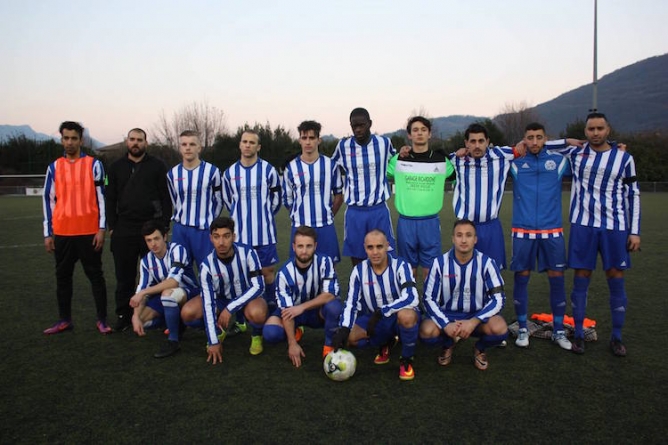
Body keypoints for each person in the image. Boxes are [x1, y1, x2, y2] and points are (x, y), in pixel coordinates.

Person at [552, 112, 640, 356]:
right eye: (591, 129)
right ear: (585, 131)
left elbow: (634, 194)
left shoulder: (624, 158)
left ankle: (617, 337)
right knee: (581, 276)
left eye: (600, 128)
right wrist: (568, 141)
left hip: (615, 227)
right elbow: (540, 144)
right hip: (583, 226)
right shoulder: (576, 154)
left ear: (608, 130)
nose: (595, 133)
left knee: (615, 277)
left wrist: (635, 232)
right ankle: (578, 333)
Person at [509, 122, 573, 350]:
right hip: (522, 231)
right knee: (521, 277)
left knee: (557, 278)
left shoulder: (559, 162)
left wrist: (565, 142)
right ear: (523, 139)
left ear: (545, 138)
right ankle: (523, 328)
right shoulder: (515, 164)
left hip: (552, 231)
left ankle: (558, 330)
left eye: (538, 137)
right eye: (530, 137)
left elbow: (588, 153)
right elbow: (494, 154)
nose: (534, 142)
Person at [42, 121, 110, 334]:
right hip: (63, 232)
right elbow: (48, 200)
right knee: (62, 278)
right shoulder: (54, 167)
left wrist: (101, 229)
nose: (69, 142)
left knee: (96, 277)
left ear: (81, 140)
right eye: (66, 138)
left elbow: (102, 199)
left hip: (88, 232)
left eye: (74, 138)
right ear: (61, 139)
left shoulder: (94, 165)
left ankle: (102, 320)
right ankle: (64, 320)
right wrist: (48, 232)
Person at [106, 128, 172, 332]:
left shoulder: (157, 165)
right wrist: (112, 226)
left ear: (146, 142)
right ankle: (123, 315)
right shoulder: (115, 167)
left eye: (139, 140)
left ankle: (158, 312)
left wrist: (163, 226)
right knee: (124, 276)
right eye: (132, 139)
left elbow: (165, 197)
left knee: (155, 275)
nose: (135, 143)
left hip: (150, 228)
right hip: (123, 230)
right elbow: (109, 198)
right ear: (127, 142)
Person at [420, 219, 508, 370]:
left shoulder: (487, 263)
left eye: (468, 235)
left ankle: (480, 348)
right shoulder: (439, 263)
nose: (463, 240)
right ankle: (448, 343)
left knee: (499, 328)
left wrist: (473, 321)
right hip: (447, 315)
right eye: (459, 235)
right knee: (426, 332)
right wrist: (445, 324)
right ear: (453, 239)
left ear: (475, 239)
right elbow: (428, 299)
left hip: (476, 316)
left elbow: (499, 298)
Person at [332, 229, 420, 380]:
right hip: (376, 318)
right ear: (365, 248)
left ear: (387, 246)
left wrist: (383, 311)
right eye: (370, 247)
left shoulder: (401, 265)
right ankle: (386, 341)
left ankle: (406, 359)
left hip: (396, 316)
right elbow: (351, 303)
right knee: (351, 337)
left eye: (379, 246)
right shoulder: (359, 271)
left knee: (407, 315)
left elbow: (411, 297)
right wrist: (344, 328)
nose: (375, 252)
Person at [181, 216, 268, 364]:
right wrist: (213, 341)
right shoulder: (207, 266)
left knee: (258, 313)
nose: (221, 242)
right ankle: (217, 330)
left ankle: (256, 334)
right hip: (220, 299)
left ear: (233, 236)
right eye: (217, 237)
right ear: (211, 238)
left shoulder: (248, 253)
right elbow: (208, 304)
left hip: (247, 298)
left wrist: (230, 308)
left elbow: (259, 286)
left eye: (226, 236)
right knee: (187, 313)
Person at [263, 226, 343, 367]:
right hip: (293, 313)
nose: (304, 251)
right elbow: (287, 311)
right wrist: (292, 344)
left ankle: (329, 346)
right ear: (293, 247)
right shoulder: (284, 274)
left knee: (335, 308)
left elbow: (330, 294)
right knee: (271, 333)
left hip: (317, 311)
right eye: (300, 246)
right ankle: (295, 331)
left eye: (308, 246)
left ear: (315, 246)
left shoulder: (325, 262)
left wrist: (302, 307)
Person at [387, 116, 455, 280]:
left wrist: (454, 154)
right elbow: (384, 173)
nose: (419, 134)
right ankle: (411, 305)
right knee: (408, 272)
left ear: (430, 134)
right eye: (415, 130)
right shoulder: (399, 159)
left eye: (423, 130)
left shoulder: (441, 160)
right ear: (409, 135)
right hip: (406, 222)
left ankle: (429, 305)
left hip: (430, 222)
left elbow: (458, 176)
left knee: (430, 271)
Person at [450, 123, 525, 269]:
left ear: (488, 142)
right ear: (466, 143)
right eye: (473, 141)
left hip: (491, 226)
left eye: (481, 141)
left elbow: (533, 144)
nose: (477, 145)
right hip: (465, 227)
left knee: (493, 272)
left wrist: (566, 142)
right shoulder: (456, 159)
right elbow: (429, 157)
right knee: (465, 272)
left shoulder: (501, 156)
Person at [222, 130, 281, 312]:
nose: (247, 145)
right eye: (244, 141)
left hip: (264, 233)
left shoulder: (268, 170)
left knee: (267, 273)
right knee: (240, 276)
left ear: (258, 147)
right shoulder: (230, 173)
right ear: (240, 145)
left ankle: (271, 307)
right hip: (239, 235)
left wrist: (263, 214)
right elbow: (228, 200)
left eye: (252, 142)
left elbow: (276, 200)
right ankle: (242, 317)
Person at [331, 108, 397, 265]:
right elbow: (328, 166)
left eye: (361, 125)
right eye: (354, 126)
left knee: (385, 257)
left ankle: (385, 288)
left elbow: (399, 160)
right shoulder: (343, 146)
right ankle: (360, 288)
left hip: (378, 209)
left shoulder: (384, 143)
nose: (358, 129)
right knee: (358, 258)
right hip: (355, 212)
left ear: (370, 124)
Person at [129, 220, 199, 358]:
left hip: (189, 292)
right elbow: (141, 290)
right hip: (166, 296)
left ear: (165, 237)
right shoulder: (146, 261)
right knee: (143, 321)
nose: (153, 244)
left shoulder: (177, 250)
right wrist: (135, 316)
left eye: (156, 238)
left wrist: (143, 292)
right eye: (149, 240)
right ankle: (175, 322)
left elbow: (173, 282)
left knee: (168, 294)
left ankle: (173, 341)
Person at [283, 120, 343, 263]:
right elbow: (287, 199)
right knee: (300, 271)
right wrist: (297, 215)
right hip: (300, 227)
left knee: (328, 269)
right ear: (299, 141)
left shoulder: (331, 166)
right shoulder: (291, 168)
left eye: (312, 138)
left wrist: (328, 214)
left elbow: (339, 195)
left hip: (325, 227)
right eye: (304, 138)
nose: (308, 142)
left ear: (319, 140)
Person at [167, 130, 224, 268]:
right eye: (184, 144)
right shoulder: (172, 173)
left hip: (204, 230)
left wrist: (209, 219)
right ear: (179, 147)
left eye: (192, 144)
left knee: (208, 270)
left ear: (199, 147)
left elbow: (219, 200)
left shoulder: (212, 171)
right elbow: (174, 199)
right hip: (180, 230)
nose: (188, 147)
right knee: (179, 273)